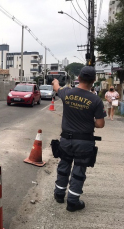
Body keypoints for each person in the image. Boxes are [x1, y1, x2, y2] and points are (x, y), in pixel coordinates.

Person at [52, 66, 106, 212]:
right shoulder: (95, 100)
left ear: (79, 78)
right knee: (78, 171)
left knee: (64, 166)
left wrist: (56, 81)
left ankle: (58, 194)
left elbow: (57, 87)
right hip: (84, 142)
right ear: (93, 81)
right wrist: (89, 122)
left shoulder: (67, 93)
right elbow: (100, 124)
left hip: (66, 140)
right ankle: (72, 202)